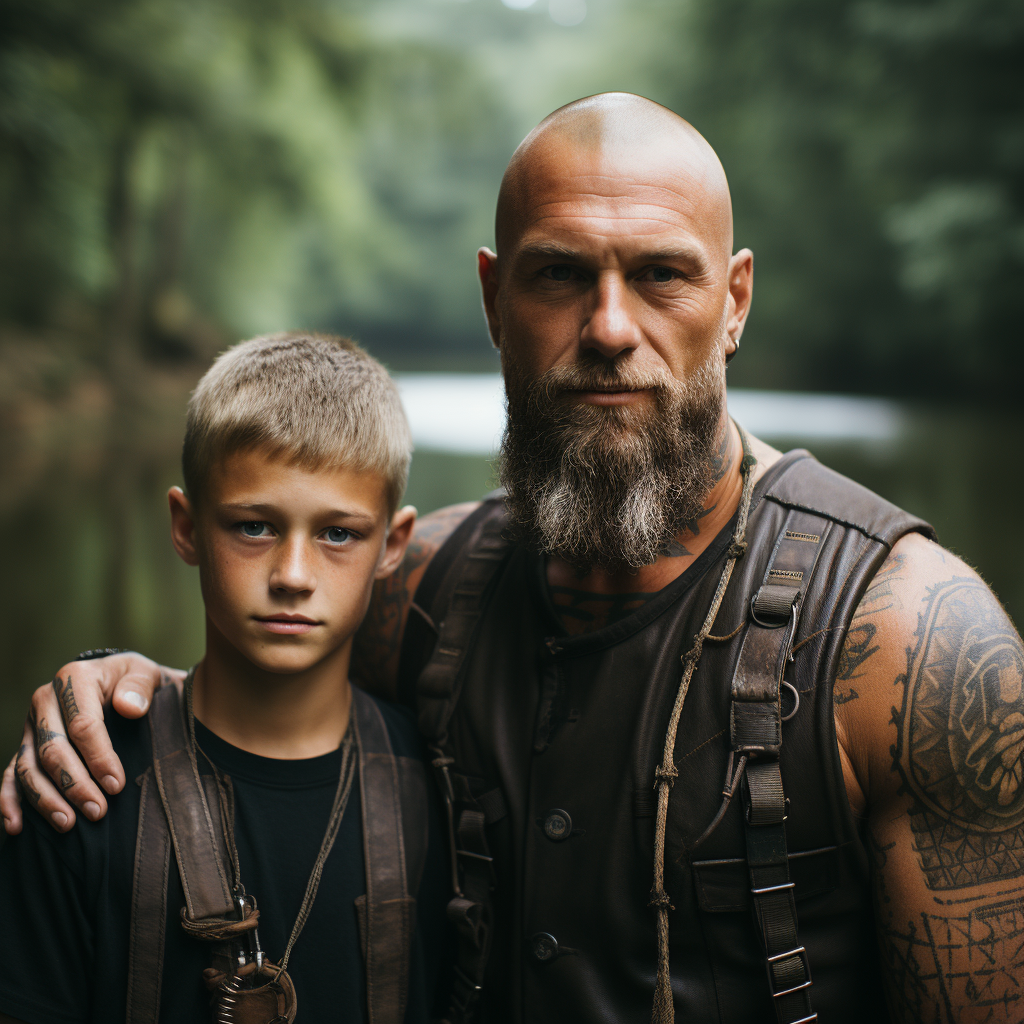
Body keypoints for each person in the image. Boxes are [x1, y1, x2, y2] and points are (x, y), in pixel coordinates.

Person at [6, 93, 1024, 1023]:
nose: (611, 328)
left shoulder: (907, 644)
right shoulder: (421, 589)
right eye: (560, 274)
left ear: (736, 299)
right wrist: (124, 697)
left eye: (662, 274)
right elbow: (256, 696)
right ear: (495, 300)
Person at [0, 332, 451, 1024]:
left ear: (393, 545)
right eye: (253, 527)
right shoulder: (84, 783)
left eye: (338, 535)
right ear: (185, 527)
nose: (293, 577)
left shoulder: (436, 788)